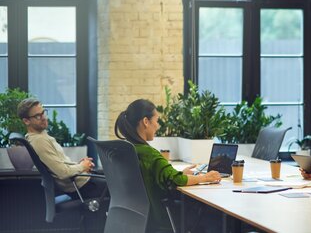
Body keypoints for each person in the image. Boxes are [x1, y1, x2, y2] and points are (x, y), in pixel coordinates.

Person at [114, 99, 221, 231]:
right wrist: (205, 178)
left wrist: (182, 173)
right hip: (160, 218)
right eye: (157, 120)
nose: (158, 126)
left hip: (134, 218)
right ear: (146, 122)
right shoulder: (149, 154)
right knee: (213, 214)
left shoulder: (125, 149)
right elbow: (177, 179)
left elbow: (162, 177)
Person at [17, 98, 108, 200]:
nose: (43, 118)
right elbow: (62, 173)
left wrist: (79, 165)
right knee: (122, 188)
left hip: (81, 182)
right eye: (38, 116)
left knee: (114, 178)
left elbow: (59, 164)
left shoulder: (39, 136)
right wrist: (82, 166)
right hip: (81, 187)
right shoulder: (39, 141)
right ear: (26, 121)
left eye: (43, 112)